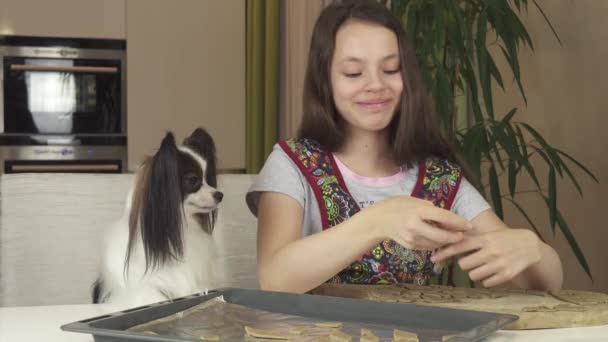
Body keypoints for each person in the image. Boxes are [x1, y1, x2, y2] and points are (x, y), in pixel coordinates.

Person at [246, 0, 563, 294]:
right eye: (354, 72)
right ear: (324, 81)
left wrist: (533, 250)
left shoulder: (439, 178)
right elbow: (274, 277)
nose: (376, 84)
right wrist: (380, 220)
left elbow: (545, 281)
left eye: (391, 69)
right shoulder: (292, 162)